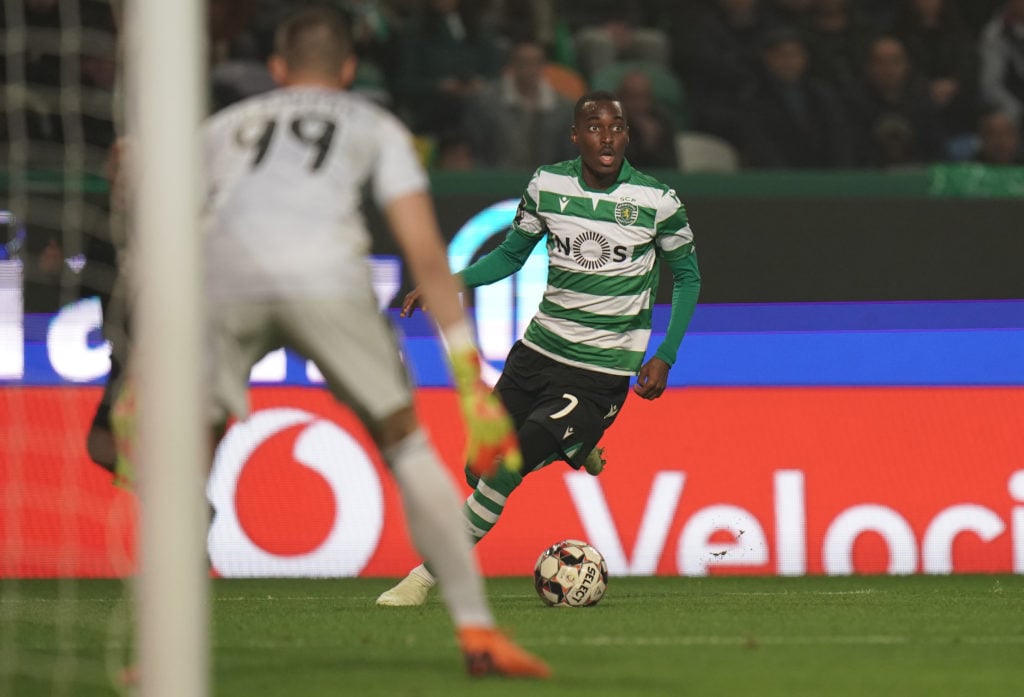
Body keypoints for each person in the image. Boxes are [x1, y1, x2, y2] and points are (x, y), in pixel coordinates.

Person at [197, 6, 549, 678]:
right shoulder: (374, 124)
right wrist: (471, 379)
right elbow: (422, 249)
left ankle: (161, 652)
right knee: (406, 441)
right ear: (351, 70)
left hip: (227, 280)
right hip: (327, 279)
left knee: (190, 454)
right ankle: (478, 633)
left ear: (275, 68)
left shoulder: (222, 128)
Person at [377, 89, 702, 607]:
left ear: (627, 134)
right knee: (477, 471)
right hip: (536, 354)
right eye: (594, 127)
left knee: (505, 473)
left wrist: (667, 353)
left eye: (616, 127)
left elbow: (687, 278)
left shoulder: (656, 201)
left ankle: (422, 581)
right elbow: (510, 254)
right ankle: (577, 446)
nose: (607, 137)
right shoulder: (547, 185)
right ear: (575, 135)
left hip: (598, 375)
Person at [460, 37, 577, 168]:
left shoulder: (564, 109)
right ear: (512, 64)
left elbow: (568, 155)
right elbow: (476, 149)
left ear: (543, 66)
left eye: (535, 62)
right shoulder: (485, 102)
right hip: (496, 180)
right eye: (523, 62)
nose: (529, 68)